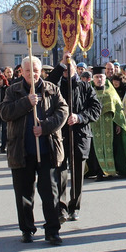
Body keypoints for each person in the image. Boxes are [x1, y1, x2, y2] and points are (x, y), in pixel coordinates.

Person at [0, 56, 69, 245]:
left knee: (50, 192)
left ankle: (52, 230)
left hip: (47, 150)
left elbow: (63, 111)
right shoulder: (13, 90)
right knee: (23, 193)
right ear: (22, 71)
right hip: (21, 150)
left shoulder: (51, 89)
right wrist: (25, 103)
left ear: (41, 71)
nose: (33, 74)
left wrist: (45, 127)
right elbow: (5, 113)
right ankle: (27, 229)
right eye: (29, 71)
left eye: (36, 70)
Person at [46, 54, 102, 222]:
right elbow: (48, 82)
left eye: (69, 67)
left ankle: (74, 207)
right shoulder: (55, 86)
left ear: (76, 69)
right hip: (60, 136)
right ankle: (61, 208)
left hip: (80, 136)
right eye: (64, 67)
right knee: (60, 173)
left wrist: (80, 117)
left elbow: (95, 109)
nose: (66, 70)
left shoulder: (85, 87)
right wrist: (61, 64)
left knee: (78, 174)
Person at [89, 66, 126, 178]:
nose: (99, 79)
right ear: (93, 79)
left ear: (105, 78)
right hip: (94, 124)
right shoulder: (89, 91)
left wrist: (118, 124)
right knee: (95, 149)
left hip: (109, 124)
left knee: (111, 147)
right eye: (97, 77)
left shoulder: (111, 91)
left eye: (101, 77)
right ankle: (99, 172)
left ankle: (111, 171)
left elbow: (118, 108)